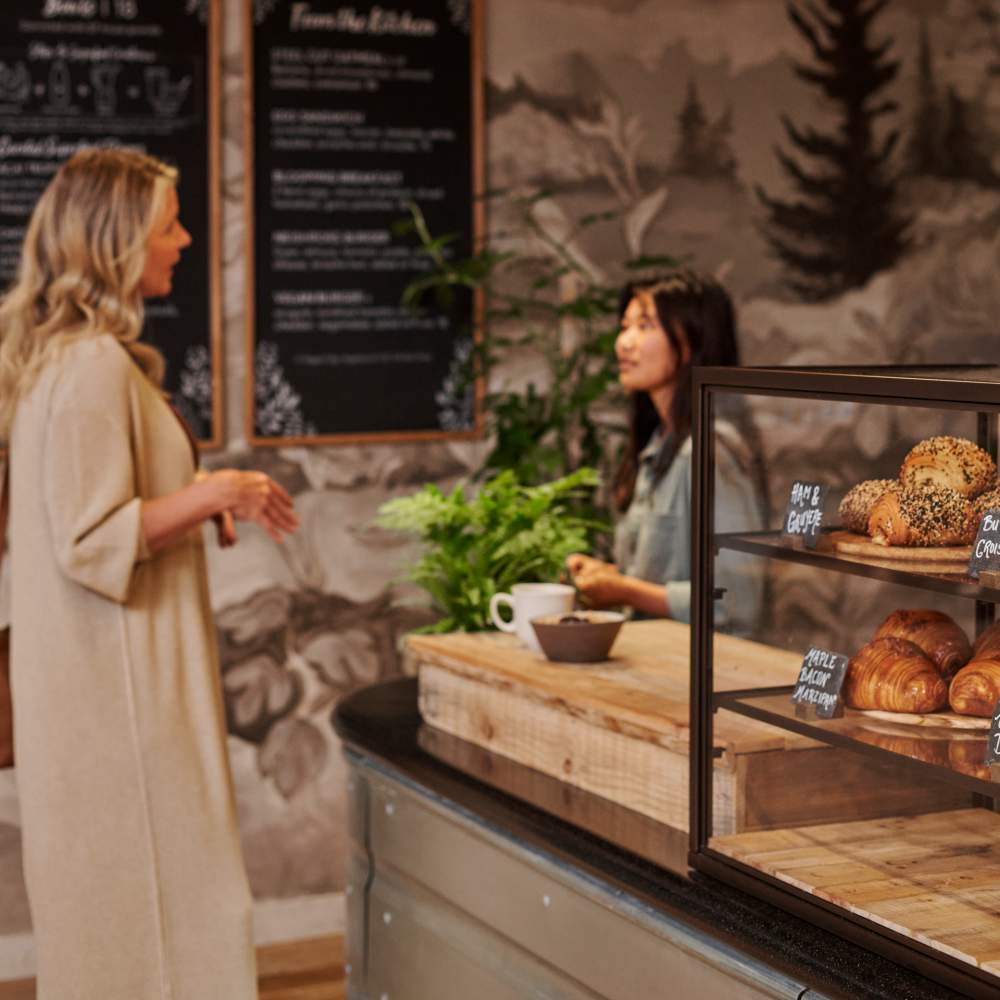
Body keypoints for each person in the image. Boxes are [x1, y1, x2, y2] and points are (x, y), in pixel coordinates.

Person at [0, 147, 298, 999]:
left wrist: (202, 498)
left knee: (123, 935)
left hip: (100, 698)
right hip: (120, 708)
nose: (185, 238)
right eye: (169, 222)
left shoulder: (60, 360)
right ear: (121, 236)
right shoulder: (91, 364)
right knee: (180, 922)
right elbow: (90, 540)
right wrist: (218, 491)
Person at [566, 270, 766, 631]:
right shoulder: (659, 445)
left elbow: (736, 598)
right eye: (624, 325)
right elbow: (666, 574)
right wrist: (607, 577)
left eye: (645, 326)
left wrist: (625, 590)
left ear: (691, 340)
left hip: (701, 677)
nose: (623, 342)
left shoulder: (708, 451)